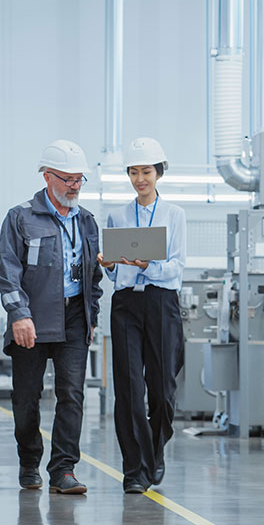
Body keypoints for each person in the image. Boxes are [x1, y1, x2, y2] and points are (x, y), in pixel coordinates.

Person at [0, 140, 103, 495]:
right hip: (33, 317)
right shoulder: (20, 217)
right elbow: (7, 271)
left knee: (72, 394)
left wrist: (91, 315)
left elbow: (93, 277)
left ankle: (63, 469)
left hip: (75, 319)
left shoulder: (87, 221)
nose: (74, 186)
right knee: (27, 396)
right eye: (67, 179)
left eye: (79, 179)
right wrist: (19, 314)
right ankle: (29, 462)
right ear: (47, 177)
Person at [98, 137, 187, 494]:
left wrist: (149, 265)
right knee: (129, 388)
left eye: (146, 172)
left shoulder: (174, 215)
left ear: (159, 173)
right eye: (133, 172)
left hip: (162, 302)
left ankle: (155, 450)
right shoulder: (117, 215)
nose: (140, 179)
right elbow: (115, 272)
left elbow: (177, 266)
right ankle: (135, 470)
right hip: (126, 305)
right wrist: (109, 266)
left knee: (162, 390)